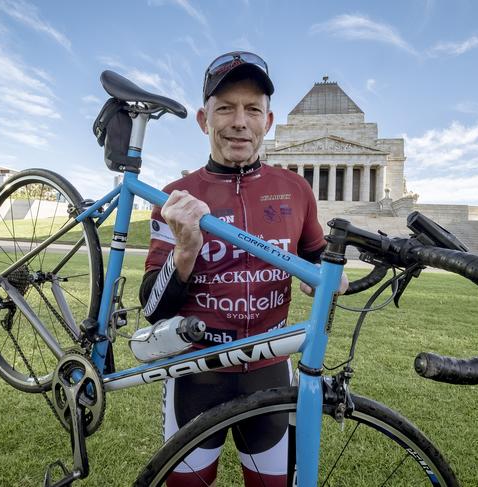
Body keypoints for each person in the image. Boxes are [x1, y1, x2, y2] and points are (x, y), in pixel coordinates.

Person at [139, 51, 346, 486]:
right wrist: (186, 250)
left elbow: (314, 255)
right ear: (203, 119)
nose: (239, 121)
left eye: (252, 109)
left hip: (271, 372)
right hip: (196, 374)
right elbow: (151, 308)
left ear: (267, 121)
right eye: (225, 108)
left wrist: (323, 277)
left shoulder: (295, 189)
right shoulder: (176, 195)